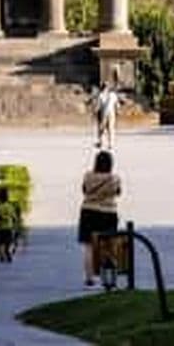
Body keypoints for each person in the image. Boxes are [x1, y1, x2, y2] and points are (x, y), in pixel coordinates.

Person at [78, 149, 122, 287]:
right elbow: (118, 193)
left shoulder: (88, 176)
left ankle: (89, 278)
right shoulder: (114, 178)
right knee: (109, 245)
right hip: (109, 213)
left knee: (88, 246)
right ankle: (109, 278)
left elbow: (84, 190)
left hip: (88, 211)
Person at [94, 82, 119, 150]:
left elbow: (98, 106)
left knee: (102, 128)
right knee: (110, 129)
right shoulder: (113, 95)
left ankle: (101, 143)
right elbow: (117, 105)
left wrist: (95, 112)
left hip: (104, 113)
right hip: (111, 113)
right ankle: (111, 144)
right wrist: (117, 112)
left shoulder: (101, 95)